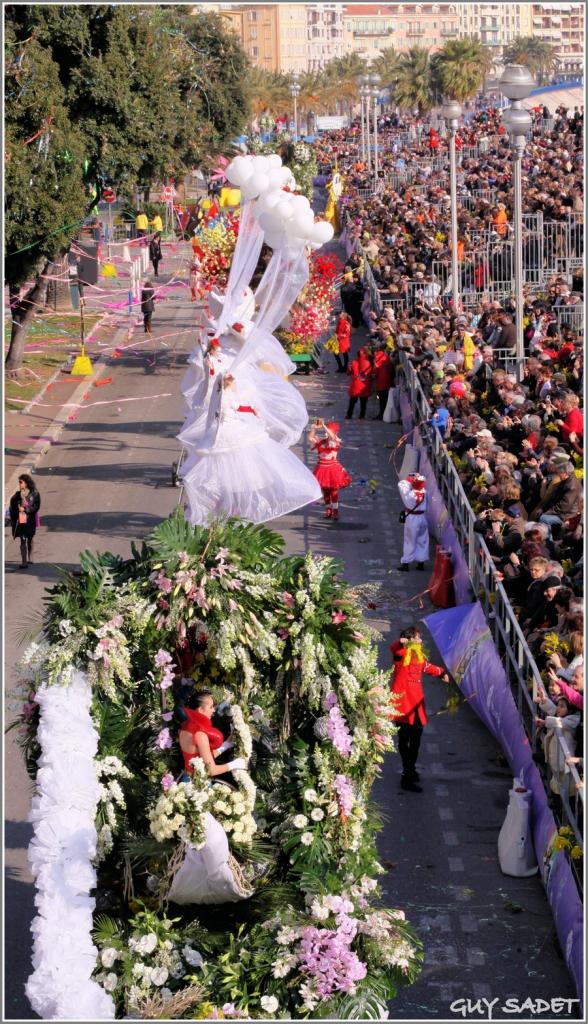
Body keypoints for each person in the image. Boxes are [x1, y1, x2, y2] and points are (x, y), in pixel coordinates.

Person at [389, 626, 449, 792]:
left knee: (415, 739)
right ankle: (407, 776)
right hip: (402, 702)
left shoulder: (418, 654)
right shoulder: (402, 654)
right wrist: (404, 642)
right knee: (405, 739)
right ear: (410, 639)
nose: (421, 640)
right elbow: (394, 648)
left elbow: (426, 667)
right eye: (418, 638)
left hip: (415, 702)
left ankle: (410, 770)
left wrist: (441, 672)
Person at [178, 689, 247, 779]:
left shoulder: (185, 727)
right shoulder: (199, 734)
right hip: (198, 784)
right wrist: (235, 764)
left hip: (187, 778)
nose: (213, 710)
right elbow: (211, 770)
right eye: (210, 707)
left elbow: (202, 757)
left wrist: (225, 745)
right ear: (200, 710)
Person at [308, 419, 352, 521]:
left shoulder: (334, 442)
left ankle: (335, 510)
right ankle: (328, 509)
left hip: (332, 469)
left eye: (328, 430)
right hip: (321, 469)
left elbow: (331, 437)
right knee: (325, 491)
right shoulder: (321, 442)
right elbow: (310, 438)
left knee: (334, 490)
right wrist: (314, 429)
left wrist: (324, 426)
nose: (325, 433)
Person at [397, 473, 429, 571]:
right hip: (422, 517)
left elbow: (401, 484)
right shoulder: (425, 492)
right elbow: (420, 484)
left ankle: (406, 563)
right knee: (422, 539)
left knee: (409, 540)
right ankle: (421, 562)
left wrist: (410, 479)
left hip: (412, 518)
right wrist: (416, 479)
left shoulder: (409, 495)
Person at [9, 474, 41, 569]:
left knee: (30, 538)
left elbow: (37, 506)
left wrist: (26, 510)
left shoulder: (34, 493)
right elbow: (12, 507)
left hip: (30, 520)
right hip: (21, 521)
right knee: (22, 539)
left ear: (26, 483)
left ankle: (30, 557)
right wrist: (17, 509)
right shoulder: (16, 496)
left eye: (21, 482)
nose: (19, 484)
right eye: (19, 482)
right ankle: (24, 562)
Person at [346, 346, 373, 419]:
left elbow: (348, 373)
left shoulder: (354, 362)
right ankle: (362, 415)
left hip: (355, 385)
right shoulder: (368, 363)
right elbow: (371, 373)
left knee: (352, 401)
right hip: (364, 385)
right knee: (363, 402)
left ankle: (349, 414)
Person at [372, 344, 393, 419]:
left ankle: (381, 414)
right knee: (385, 399)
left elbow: (375, 371)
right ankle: (384, 414)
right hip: (387, 381)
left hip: (380, 382)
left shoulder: (377, 358)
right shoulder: (386, 357)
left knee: (380, 399)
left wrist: (373, 376)